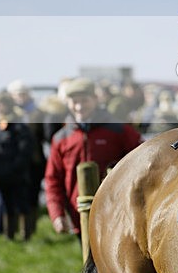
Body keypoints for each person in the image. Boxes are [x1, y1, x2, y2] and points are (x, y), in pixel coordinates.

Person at [44, 78, 142, 236]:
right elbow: (53, 179)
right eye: (74, 101)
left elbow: (141, 160)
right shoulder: (61, 138)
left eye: (84, 100)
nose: (79, 107)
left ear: (95, 100)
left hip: (115, 214)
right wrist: (57, 214)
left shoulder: (119, 130)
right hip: (79, 216)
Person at [0, 91, 35, 240]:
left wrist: (15, 168)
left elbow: (25, 150)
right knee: (6, 206)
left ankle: (26, 235)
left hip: (17, 175)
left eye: (1, 104)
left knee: (22, 204)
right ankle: (8, 235)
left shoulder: (19, 126)